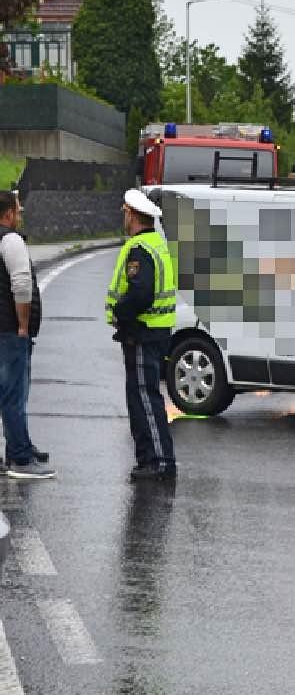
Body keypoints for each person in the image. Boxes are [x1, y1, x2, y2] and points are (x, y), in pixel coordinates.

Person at [108, 189, 177, 481]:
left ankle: (159, 461)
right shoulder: (155, 243)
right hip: (153, 331)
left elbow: (140, 293)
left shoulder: (139, 249)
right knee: (141, 396)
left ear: (133, 215)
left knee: (145, 398)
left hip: (142, 333)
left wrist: (121, 314)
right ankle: (149, 459)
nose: (123, 216)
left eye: (125, 212)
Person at [0, 191, 52, 479]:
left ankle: (21, 446)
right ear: (8, 214)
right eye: (17, 211)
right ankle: (19, 458)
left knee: (7, 393)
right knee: (14, 394)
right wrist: (22, 325)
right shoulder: (10, 240)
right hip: (9, 330)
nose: (19, 216)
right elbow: (21, 285)